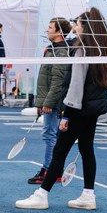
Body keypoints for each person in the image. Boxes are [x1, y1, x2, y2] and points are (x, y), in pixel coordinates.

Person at [23, 7, 107, 212]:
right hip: (92, 108)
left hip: (78, 109)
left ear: (86, 28)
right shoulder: (102, 49)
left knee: (59, 152)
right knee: (86, 149)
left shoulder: (81, 50)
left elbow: (76, 84)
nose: (74, 27)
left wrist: (67, 114)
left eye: (78, 24)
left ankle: (42, 195)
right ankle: (88, 195)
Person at [24, 17, 76, 193]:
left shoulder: (61, 51)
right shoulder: (51, 48)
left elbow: (57, 80)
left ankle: (50, 170)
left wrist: (48, 102)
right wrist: (41, 101)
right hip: (48, 99)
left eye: (50, 27)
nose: (47, 30)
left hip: (53, 101)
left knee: (50, 135)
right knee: (49, 134)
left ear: (59, 31)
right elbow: (45, 78)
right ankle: (52, 169)